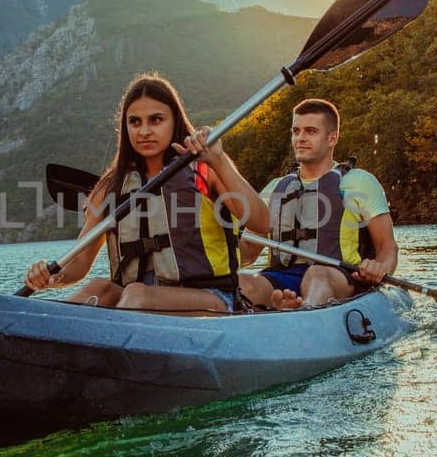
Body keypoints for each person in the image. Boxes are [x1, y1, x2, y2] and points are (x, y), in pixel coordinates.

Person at [23, 73, 269, 313]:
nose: (144, 131)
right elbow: (79, 263)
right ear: (125, 127)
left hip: (212, 299)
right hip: (136, 301)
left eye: (156, 120)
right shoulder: (111, 185)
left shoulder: (205, 170)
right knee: (99, 289)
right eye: (135, 122)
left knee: (137, 294)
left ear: (174, 120)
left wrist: (220, 160)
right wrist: (52, 274)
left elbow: (261, 222)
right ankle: (48, 332)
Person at [237, 98, 398, 309]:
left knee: (316, 275)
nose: (300, 138)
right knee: (243, 282)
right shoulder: (275, 188)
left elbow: (387, 246)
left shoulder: (359, 182)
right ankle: (284, 307)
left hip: (338, 276)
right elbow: (248, 251)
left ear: (332, 138)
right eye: (296, 131)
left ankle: (301, 312)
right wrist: (220, 241)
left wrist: (379, 267)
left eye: (310, 131)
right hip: (282, 277)